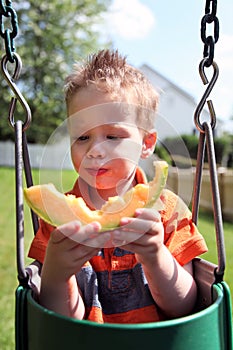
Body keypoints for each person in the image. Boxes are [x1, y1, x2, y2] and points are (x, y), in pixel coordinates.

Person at [28, 49, 208, 324]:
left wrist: (156, 255)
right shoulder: (58, 222)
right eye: (82, 137)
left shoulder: (167, 212)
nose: (95, 150)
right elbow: (60, 320)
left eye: (112, 135)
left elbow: (184, 308)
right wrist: (56, 274)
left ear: (146, 144)